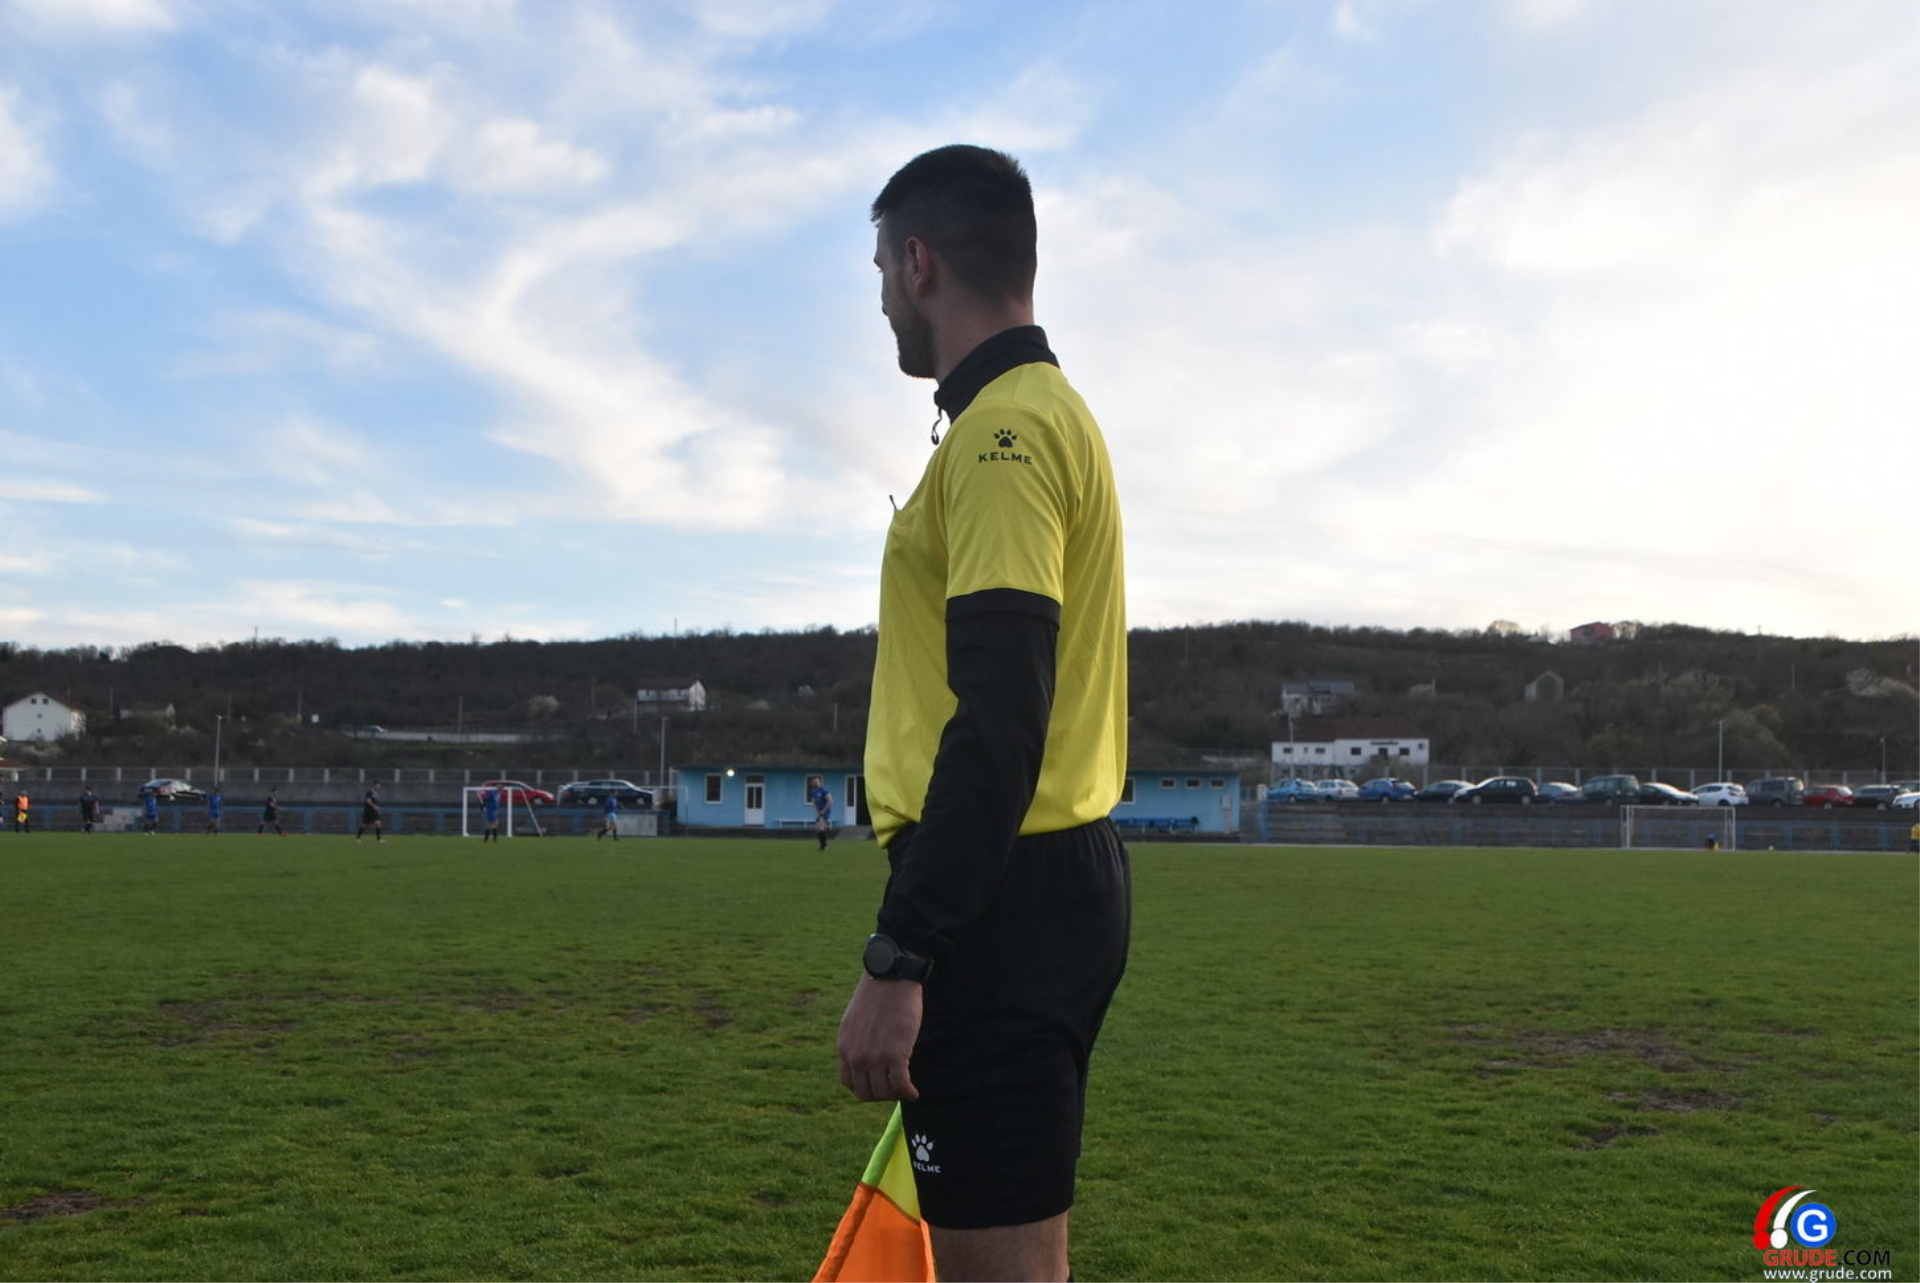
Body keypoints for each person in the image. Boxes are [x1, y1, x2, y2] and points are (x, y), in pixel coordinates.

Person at [835, 144, 1130, 1283]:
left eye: (879, 270)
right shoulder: (1036, 415)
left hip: (1003, 897)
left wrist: (902, 953)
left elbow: (1003, 714)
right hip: (1038, 884)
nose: (880, 299)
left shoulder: (1004, 435)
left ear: (919, 263)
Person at [807, 774, 834, 851]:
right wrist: (816, 812)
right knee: (818, 829)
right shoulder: (813, 792)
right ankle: (822, 846)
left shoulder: (823, 790)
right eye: (814, 782)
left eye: (817, 781)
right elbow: (814, 803)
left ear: (819, 782)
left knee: (821, 827)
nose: (815, 783)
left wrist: (823, 811)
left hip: (825, 812)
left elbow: (830, 801)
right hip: (819, 813)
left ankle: (824, 847)